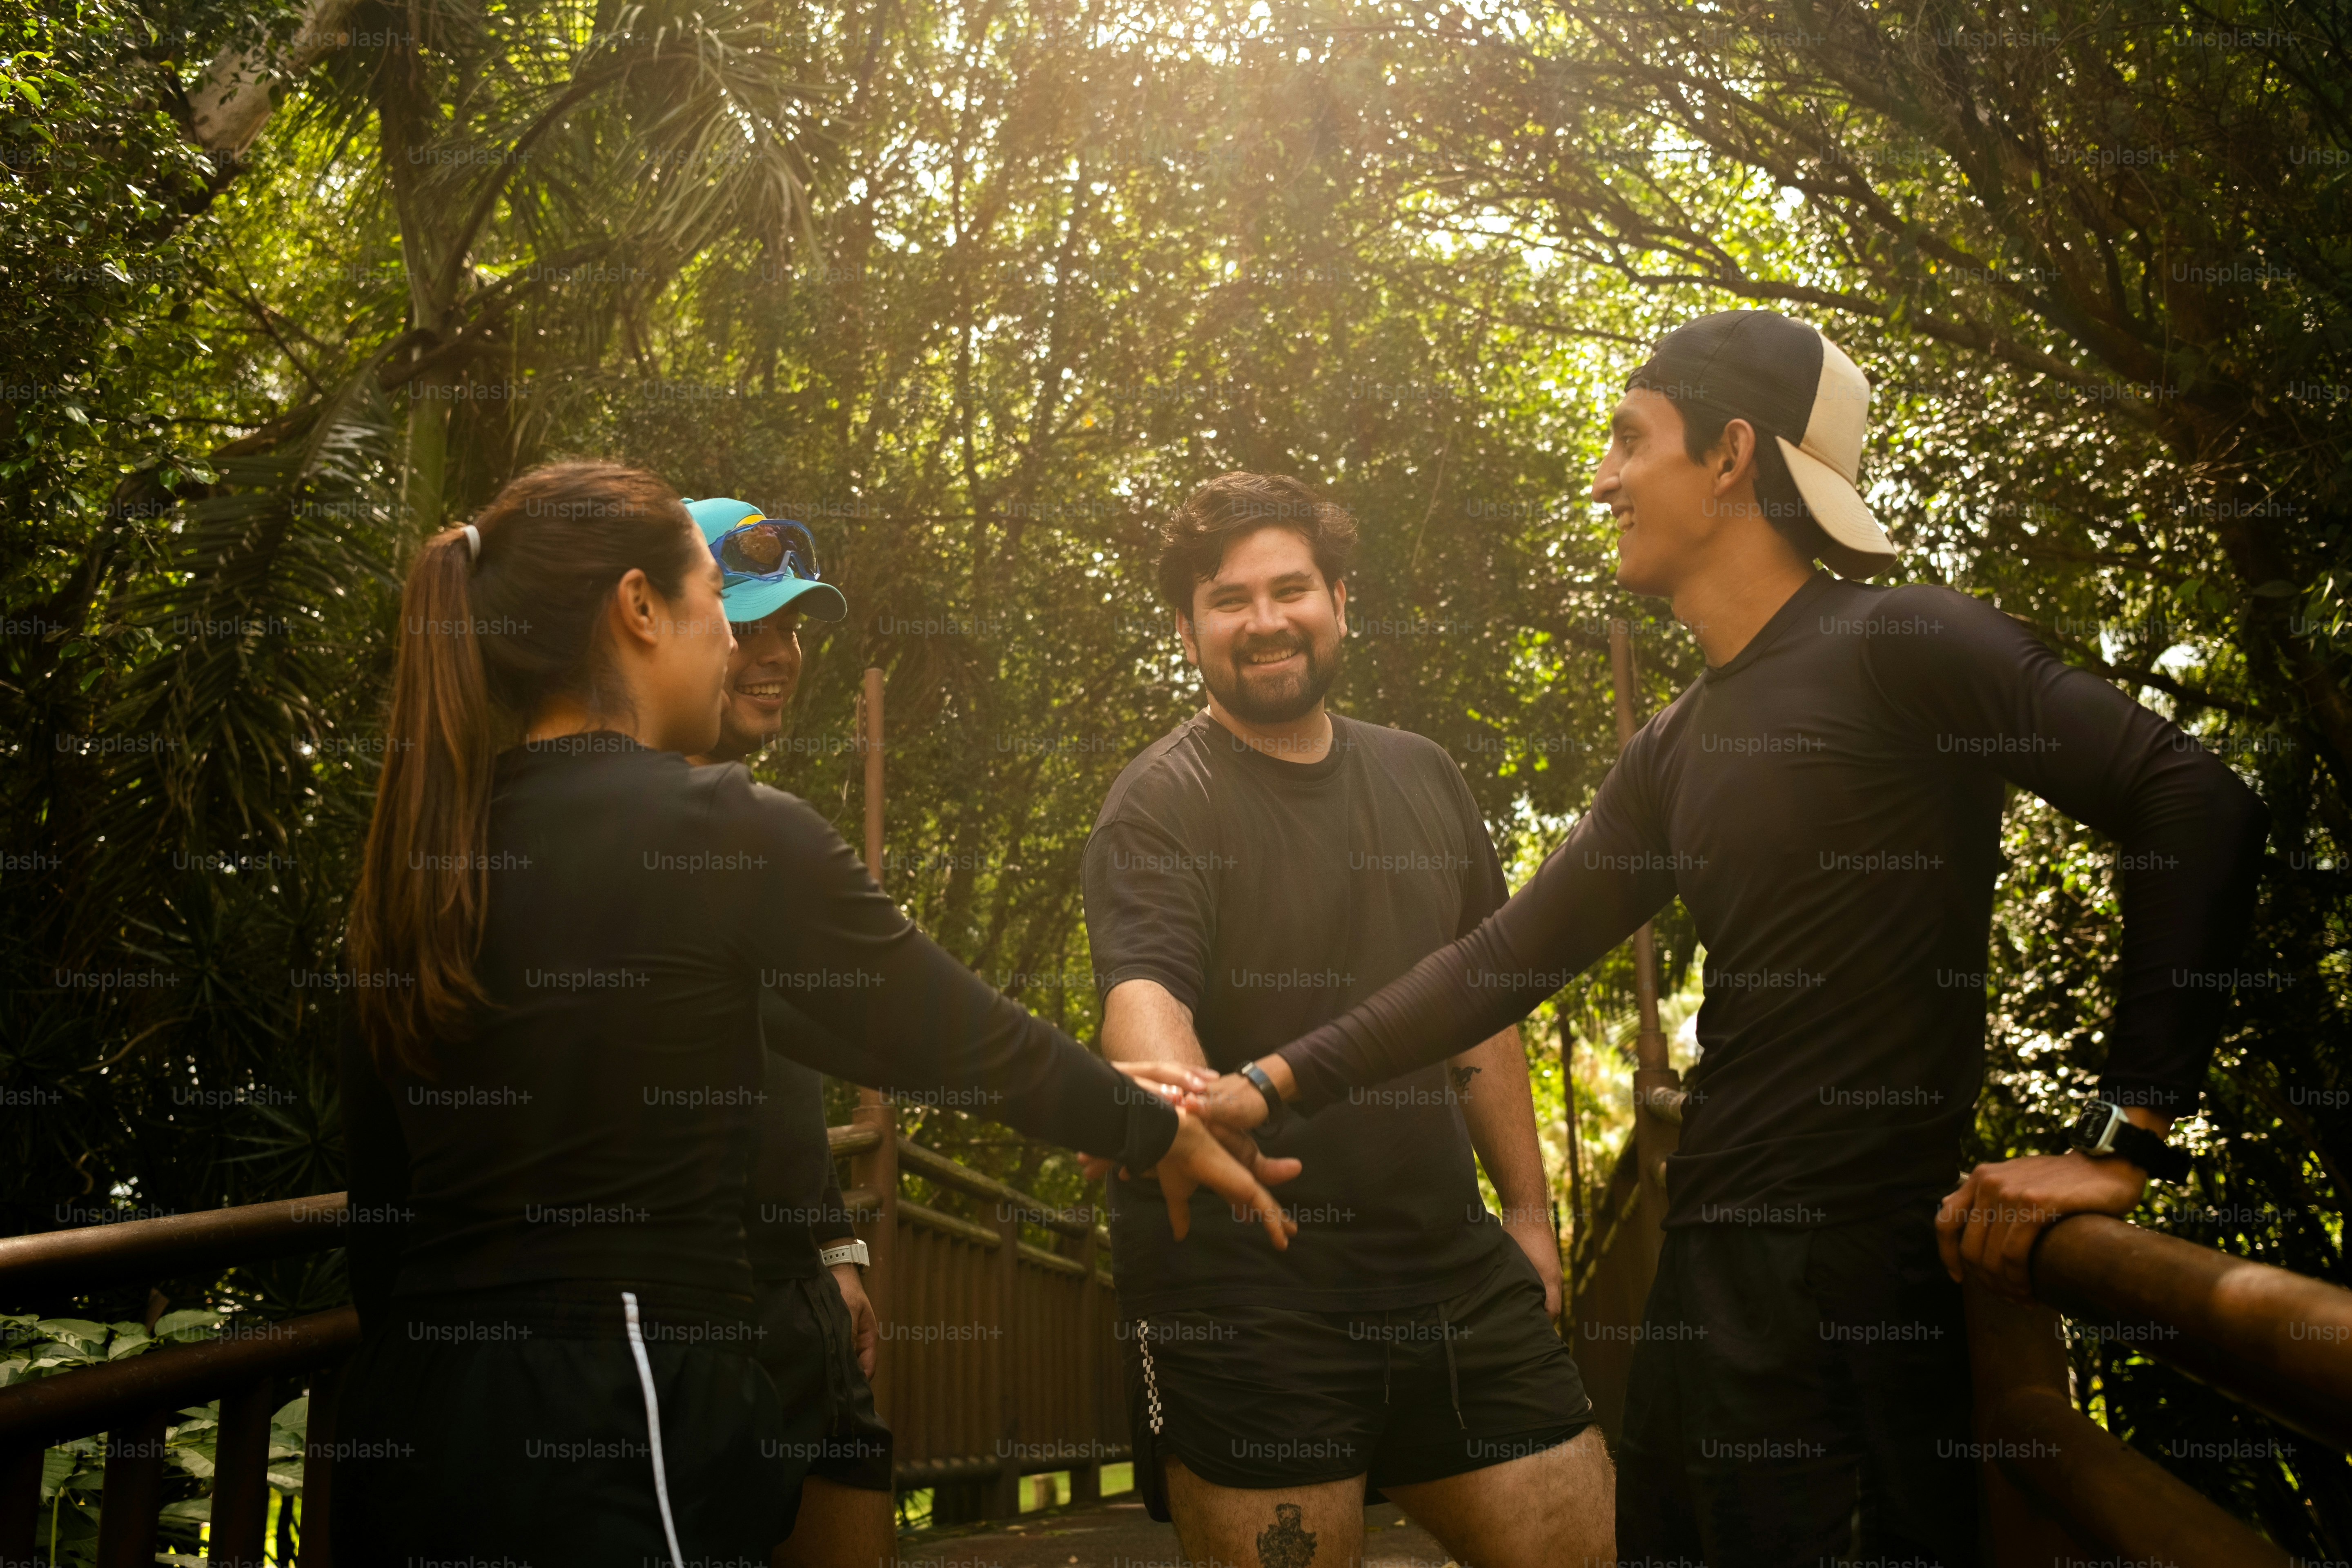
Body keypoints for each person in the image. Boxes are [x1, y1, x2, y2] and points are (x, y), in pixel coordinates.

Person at [1181, 311, 2269, 1568]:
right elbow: (1497, 964)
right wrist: (1264, 1085)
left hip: (1850, 1301)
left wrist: (2123, 1136)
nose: (1602, 478)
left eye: (1629, 441)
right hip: (1701, 1298)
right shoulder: (1677, 745)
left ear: (1730, 456)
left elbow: (2197, 804)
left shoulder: (1904, 642)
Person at [332, 461, 1296, 1566]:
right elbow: (951, 1034)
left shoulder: (420, 857)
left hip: (413, 1418)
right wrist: (1154, 1128)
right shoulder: (726, 827)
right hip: (618, 1407)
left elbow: (383, 1215)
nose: (734, 646)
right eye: (712, 606)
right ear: (641, 609)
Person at [1082, 472, 1613, 1568]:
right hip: (1249, 1297)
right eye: (1230, 600)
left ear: (1339, 603)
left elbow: (1482, 1010)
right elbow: (1145, 995)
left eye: (1293, 589)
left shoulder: (1425, 777)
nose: (1267, 620)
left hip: (1449, 1276)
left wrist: (1527, 1214)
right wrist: (1179, 1107)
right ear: (1188, 631)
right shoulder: (1162, 802)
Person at [677, 496, 895, 1566]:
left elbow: (791, 1057)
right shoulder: (613, 829)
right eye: (748, 626)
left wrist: (834, 1246)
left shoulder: (759, 822)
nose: (778, 655)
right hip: (676, 1324)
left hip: (801, 1301)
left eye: (793, 628)